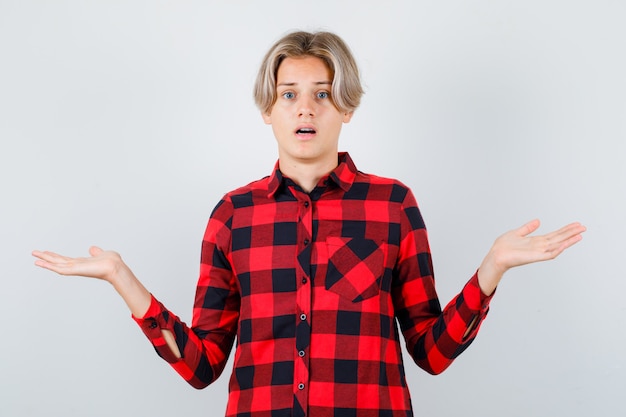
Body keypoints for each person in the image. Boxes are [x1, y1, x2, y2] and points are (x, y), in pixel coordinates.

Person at [32, 31, 585, 417]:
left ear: (346, 108)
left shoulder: (393, 206)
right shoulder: (232, 215)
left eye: (322, 95)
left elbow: (432, 353)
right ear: (267, 111)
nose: (306, 109)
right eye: (289, 95)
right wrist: (121, 279)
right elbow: (202, 367)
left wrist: (492, 268)